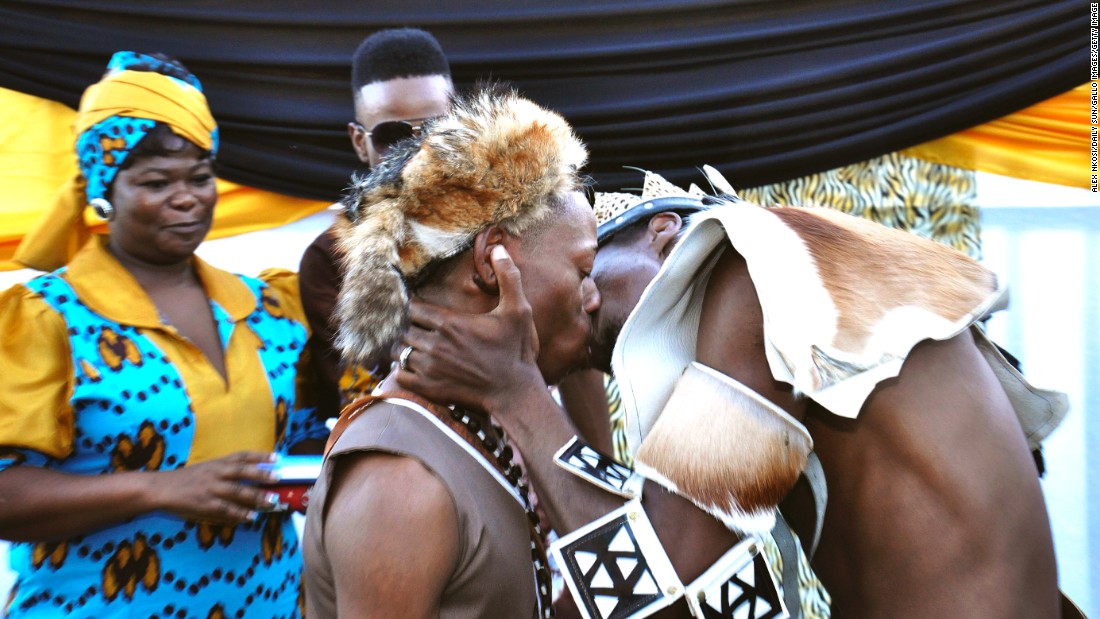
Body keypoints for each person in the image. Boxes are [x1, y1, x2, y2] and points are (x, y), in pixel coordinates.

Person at [394, 170, 1068, 618]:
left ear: (664, 238)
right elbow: (714, 591)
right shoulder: (786, 301)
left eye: (587, 278)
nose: (590, 301)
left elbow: (660, 584)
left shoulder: (752, 264)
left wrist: (516, 396)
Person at [0, 51, 329, 618]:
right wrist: (164, 489)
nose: (186, 197)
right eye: (156, 181)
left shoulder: (267, 306)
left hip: (265, 601)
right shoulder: (47, 319)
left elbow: (298, 438)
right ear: (104, 190)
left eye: (200, 178)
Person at [301, 84, 595, 618]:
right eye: (583, 270)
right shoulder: (402, 482)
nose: (593, 297)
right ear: (492, 264)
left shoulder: (474, 426)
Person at [298, 27, 454, 419]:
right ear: (358, 141)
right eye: (392, 135)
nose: (418, 154)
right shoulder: (330, 259)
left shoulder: (508, 225)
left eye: (436, 130)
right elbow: (372, 393)